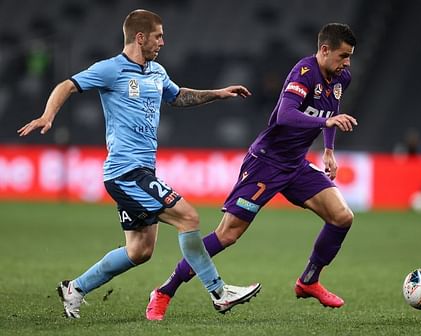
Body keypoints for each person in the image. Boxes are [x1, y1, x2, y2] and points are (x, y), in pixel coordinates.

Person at [17, 9, 261, 319]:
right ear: (140, 37)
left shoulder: (157, 72)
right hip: (125, 172)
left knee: (140, 251)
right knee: (188, 217)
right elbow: (66, 85)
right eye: (158, 35)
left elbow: (178, 96)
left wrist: (217, 94)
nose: (163, 41)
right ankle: (219, 292)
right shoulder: (111, 69)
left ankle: (75, 288)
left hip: (143, 171)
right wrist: (48, 115)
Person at [146, 23, 358, 320]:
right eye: (343, 56)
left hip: (296, 164)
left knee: (342, 217)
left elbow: (331, 112)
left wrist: (329, 149)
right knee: (228, 234)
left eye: (350, 57)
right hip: (266, 162)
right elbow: (285, 115)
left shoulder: (340, 78)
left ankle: (308, 281)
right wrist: (325, 125)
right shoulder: (304, 73)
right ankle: (164, 291)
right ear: (324, 50)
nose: (347, 63)